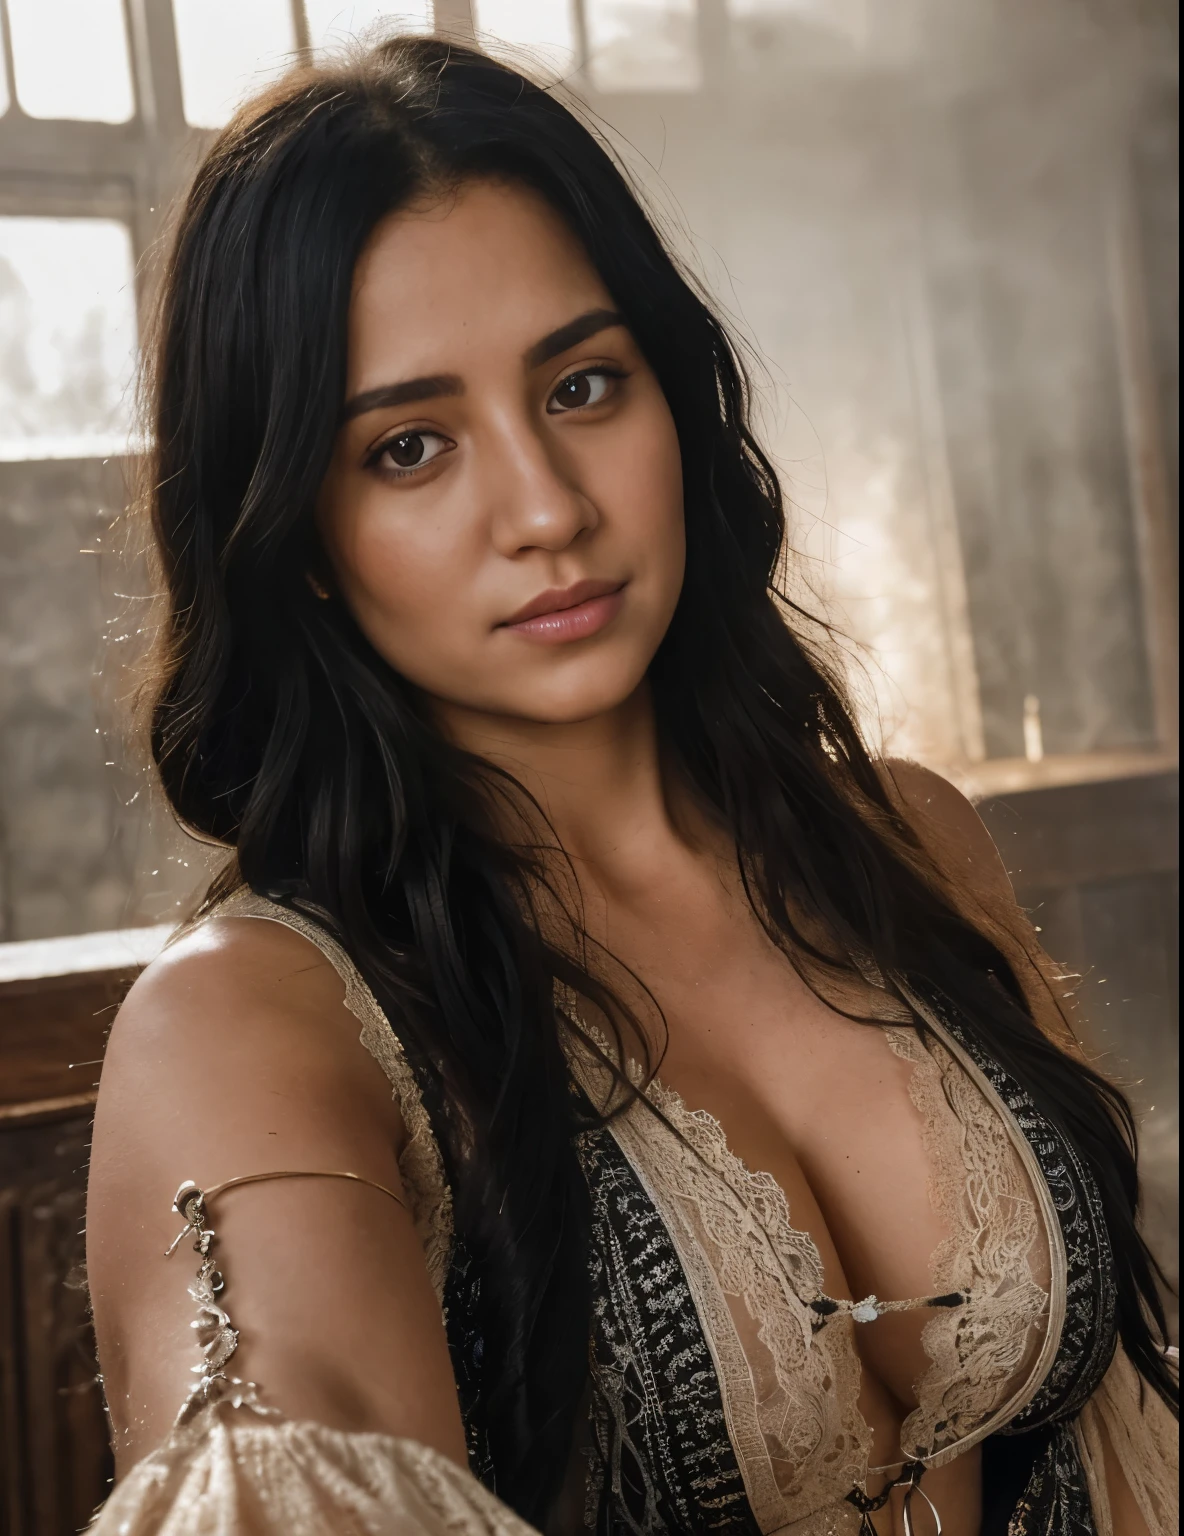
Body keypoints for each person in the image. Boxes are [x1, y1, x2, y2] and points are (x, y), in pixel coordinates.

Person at [85, 36, 1176, 1536]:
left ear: (675, 395)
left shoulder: (909, 842)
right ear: (297, 538)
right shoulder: (244, 1029)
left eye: (584, 385)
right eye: (410, 448)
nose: (546, 509)